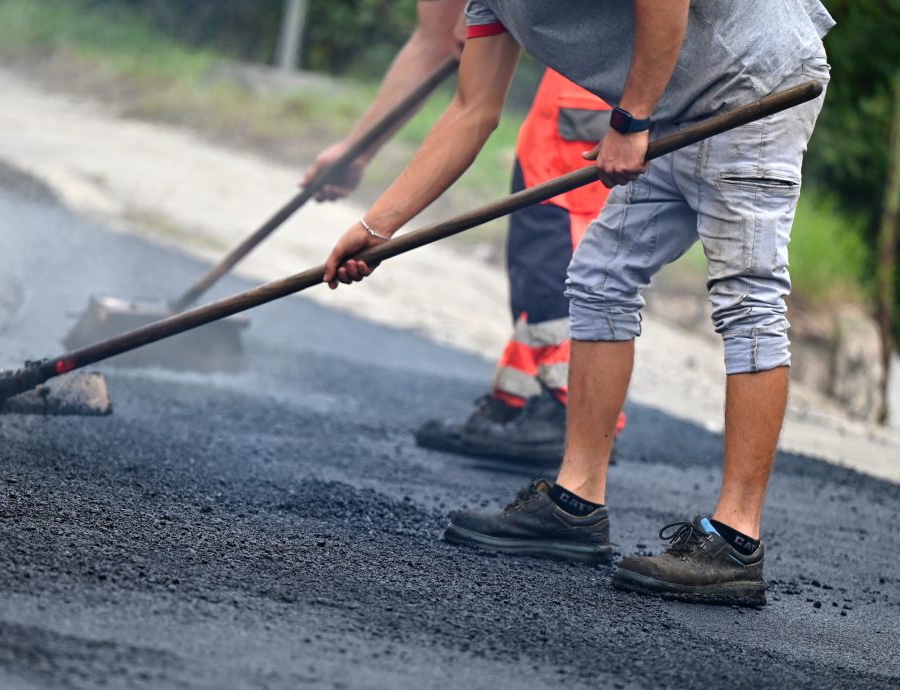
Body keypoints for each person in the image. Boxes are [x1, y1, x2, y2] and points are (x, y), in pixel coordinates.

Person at [320, 0, 833, 606]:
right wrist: (379, 230)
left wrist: (631, 119)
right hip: (675, 100)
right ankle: (577, 501)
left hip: (755, 83)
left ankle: (737, 540)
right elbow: (472, 112)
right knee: (599, 277)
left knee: (748, 299)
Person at [303, 1, 616, 466]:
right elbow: (442, 48)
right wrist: (359, 157)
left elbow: (459, 66)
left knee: (556, 197)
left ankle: (566, 410)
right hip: (609, 53)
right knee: (538, 174)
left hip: (631, 58)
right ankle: (524, 401)